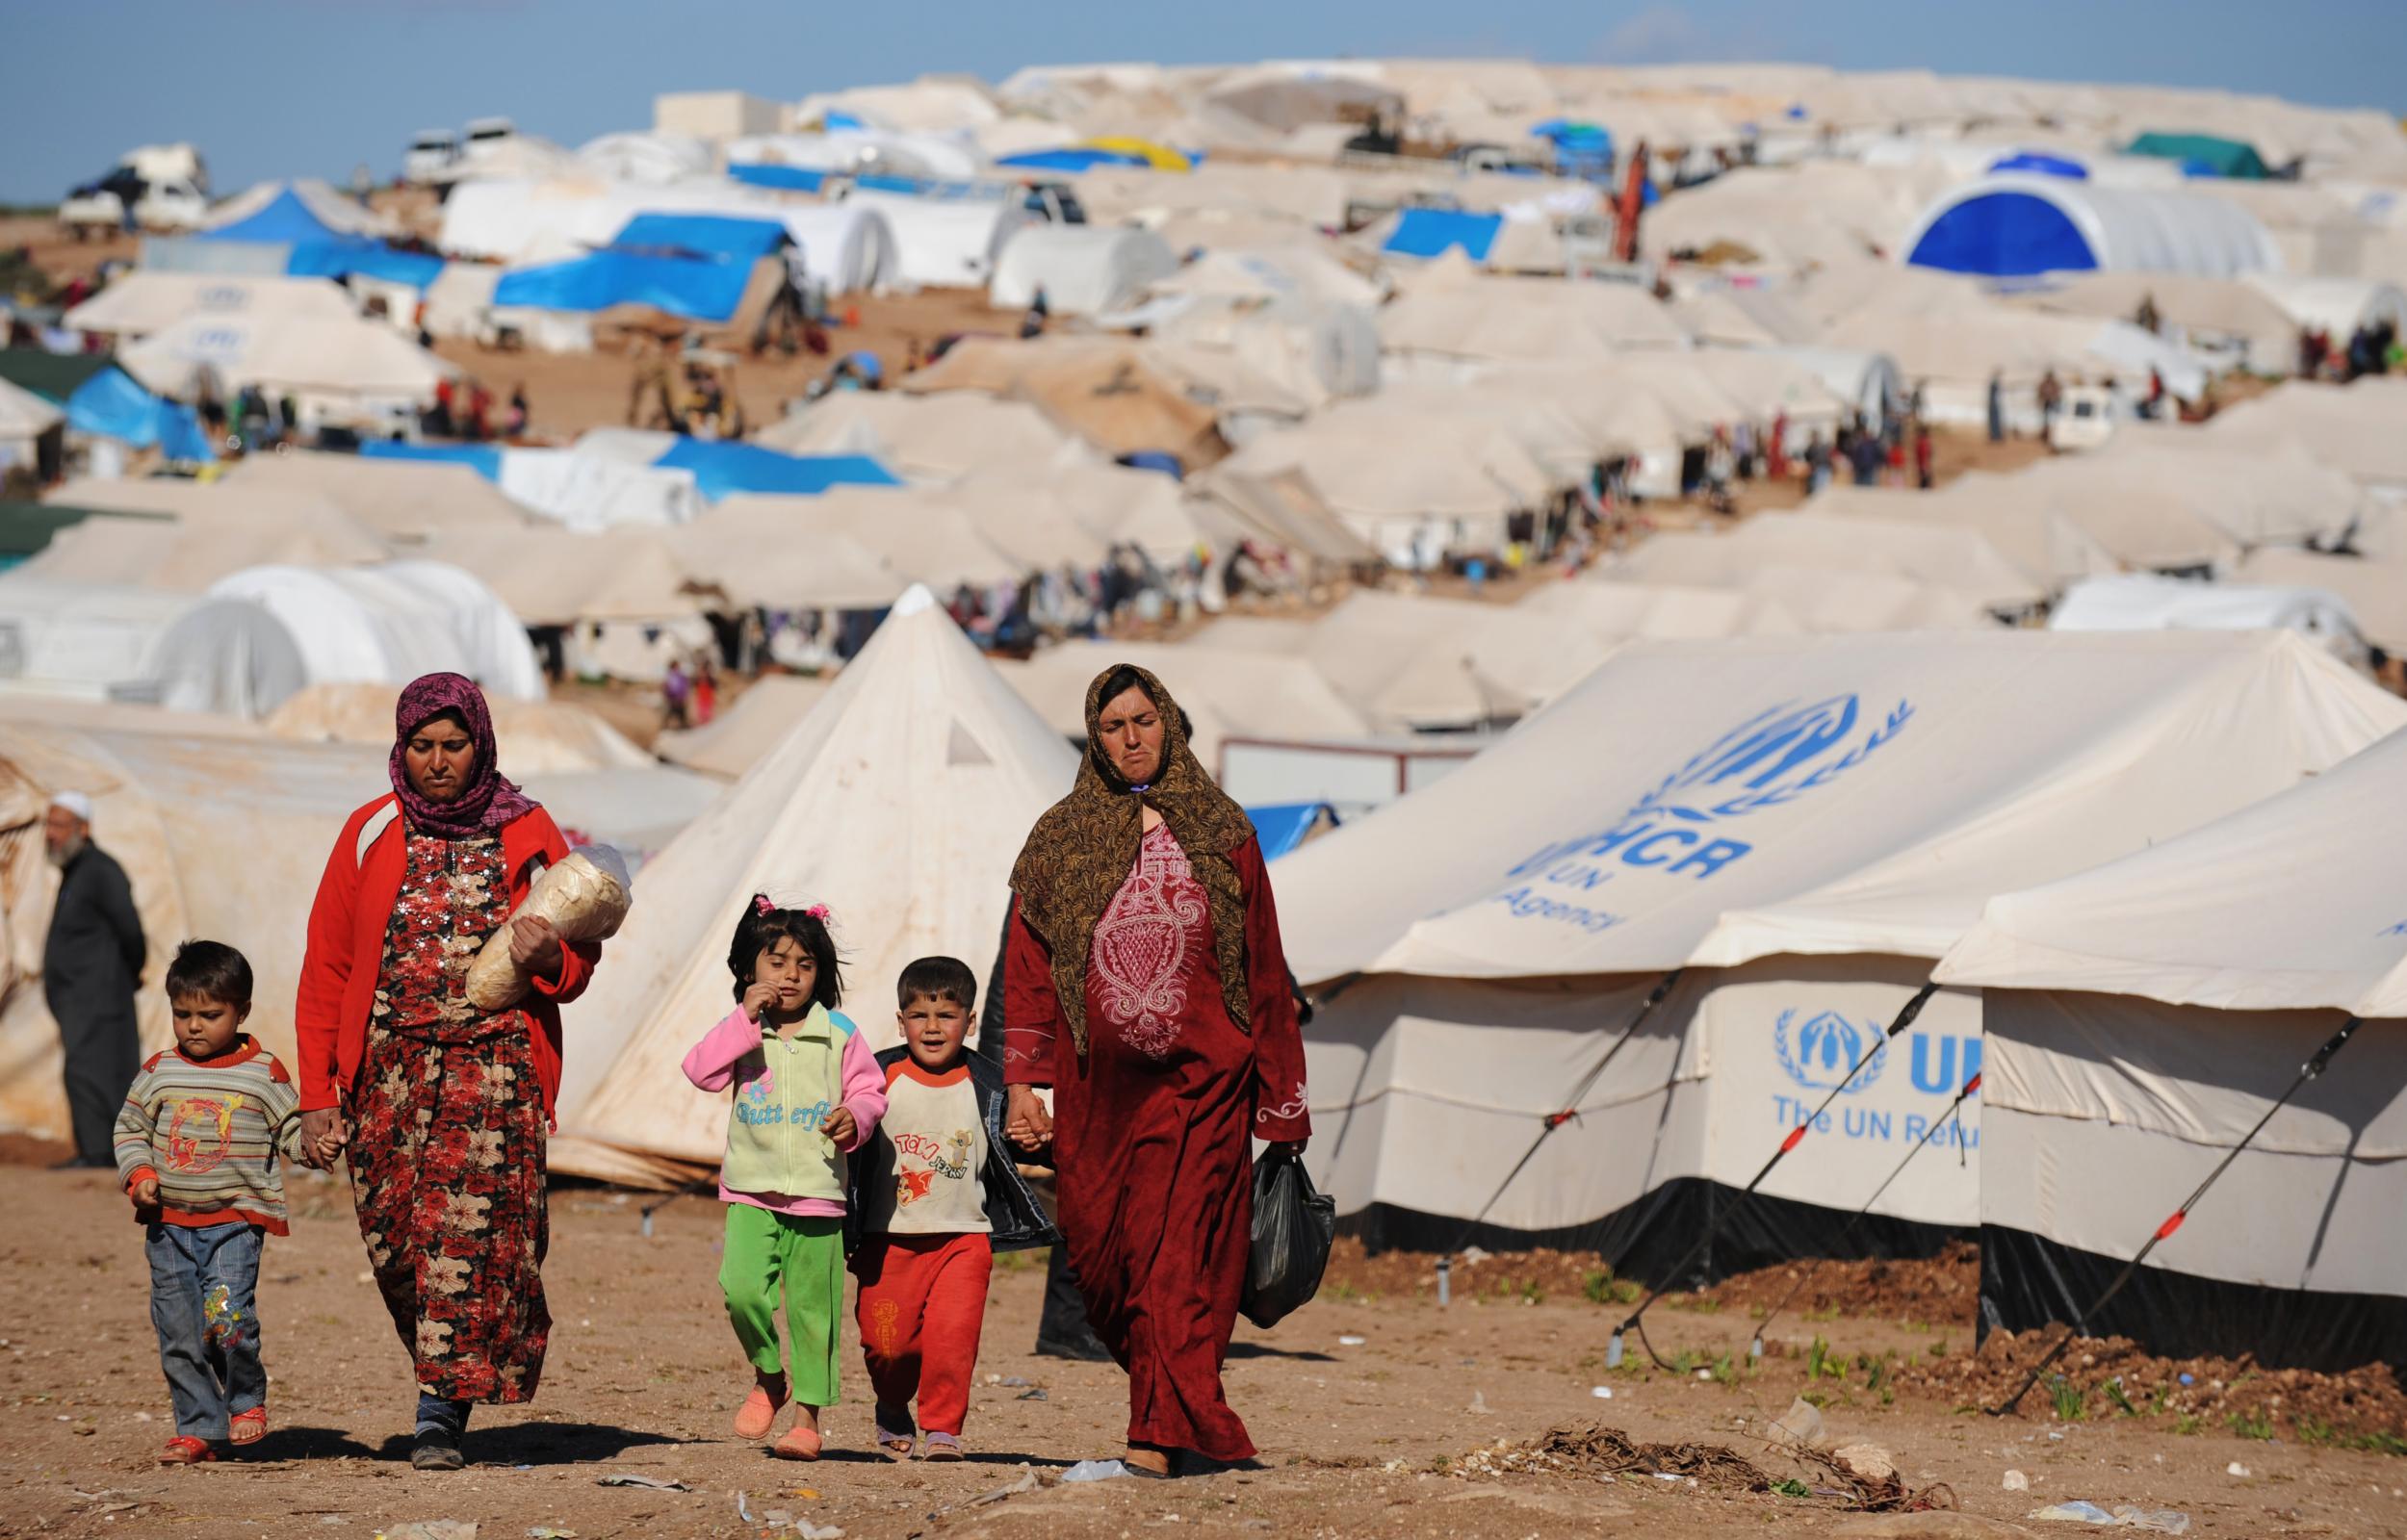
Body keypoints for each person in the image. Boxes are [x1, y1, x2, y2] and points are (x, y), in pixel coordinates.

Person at [1002, 664, 1311, 1476]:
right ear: (1094, 737)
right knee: (1107, 1262)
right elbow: (1028, 968)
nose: (1132, 738)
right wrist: (1021, 1081)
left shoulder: (1222, 830)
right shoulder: (1058, 840)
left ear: (1168, 724)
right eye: (1114, 726)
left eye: (1144, 721)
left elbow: (1267, 969)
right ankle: (1170, 1402)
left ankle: (1164, 1431)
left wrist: (1281, 1100)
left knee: (1177, 1256)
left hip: (1207, 1082)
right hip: (1098, 1096)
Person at [294, 673, 601, 1471]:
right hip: (387, 1072)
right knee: (398, 1243)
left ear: (481, 744)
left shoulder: (528, 827)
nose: (437, 761)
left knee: (465, 1240)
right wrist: (318, 1094)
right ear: (401, 747)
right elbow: (326, 968)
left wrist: (552, 958)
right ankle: (444, 1369)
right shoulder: (369, 830)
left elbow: (581, 948)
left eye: (453, 745)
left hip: (493, 1068)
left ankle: (441, 1409)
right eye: (422, 746)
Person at [683, 898, 886, 1461]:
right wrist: (744, 1018)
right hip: (752, 1189)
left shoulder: (839, 1033)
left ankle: (807, 1421)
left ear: (821, 974)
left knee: (812, 1311)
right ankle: (769, 1375)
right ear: (750, 969)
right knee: (742, 1291)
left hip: (819, 1195)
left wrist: (855, 1118)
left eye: (804, 964)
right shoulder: (743, 1032)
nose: (790, 975)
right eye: (776, 962)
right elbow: (699, 1071)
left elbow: (871, 1093)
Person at [847, 957, 1056, 1461]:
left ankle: (944, 1428)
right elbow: (844, 1129)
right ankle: (893, 1405)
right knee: (887, 1346)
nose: (934, 1028)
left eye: (947, 1015)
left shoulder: (991, 1081)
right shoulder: (876, 1074)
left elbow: (1025, 1138)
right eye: (920, 1016)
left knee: (952, 1340)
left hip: (965, 1237)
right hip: (886, 1237)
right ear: (902, 1021)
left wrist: (1043, 1137)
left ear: (971, 1021)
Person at [116, 941, 315, 1464]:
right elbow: (130, 1128)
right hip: (168, 1228)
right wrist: (138, 1174)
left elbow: (292, 1129)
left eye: (210, 1014)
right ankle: (199, 1426)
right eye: (183, 1014)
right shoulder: (158, 1070)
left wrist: (316, 1145)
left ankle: (245, 1400)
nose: (194, 1026)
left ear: (241, 1011)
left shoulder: (263, 1073)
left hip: (233, 1223)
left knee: (227, 1319)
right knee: (178, 1330)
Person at [43, 790, 145, 1168]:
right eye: (48, 824)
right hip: (81, 995)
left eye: (58, 825)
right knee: (89, 1068)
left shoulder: (102, 870)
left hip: (100, 992)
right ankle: (98, 1150)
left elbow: (131, 930)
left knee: (92, 1071)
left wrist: (129, 972)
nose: (50, 834)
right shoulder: (76, 872)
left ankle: (99, 1153)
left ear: (82, 829)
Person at [662, 658, 692, 731]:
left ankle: (683, 728)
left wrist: (685, 696)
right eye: (675, 666)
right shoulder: (670, 676)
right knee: (670, 714)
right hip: (673, 699)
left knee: (681, 715)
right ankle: (666, 728)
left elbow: (684, 686)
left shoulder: (680, 676)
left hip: (679, 699)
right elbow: (667, 688)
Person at [694, 657, 718, 727]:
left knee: (708, 719)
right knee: (701, 719)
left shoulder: (710, 679)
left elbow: (714, 687)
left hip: (708, 701)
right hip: (702, 700)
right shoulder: (699, 679)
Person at [1913, 424, 1934, 490]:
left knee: (1924, 480)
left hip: (1924, 464)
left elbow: (1924, 454)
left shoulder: (1923, 442)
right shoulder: (1925, 441)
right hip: (1924, 463)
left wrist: (1924, 465)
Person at [1986, 370, 2005, 443]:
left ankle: (1995, 436)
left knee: (1994, 420)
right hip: (1994, 404)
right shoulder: (1994, 383)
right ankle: (1995, 436)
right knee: (1994, 420)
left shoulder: (1994, 383)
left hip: (1993, 404)